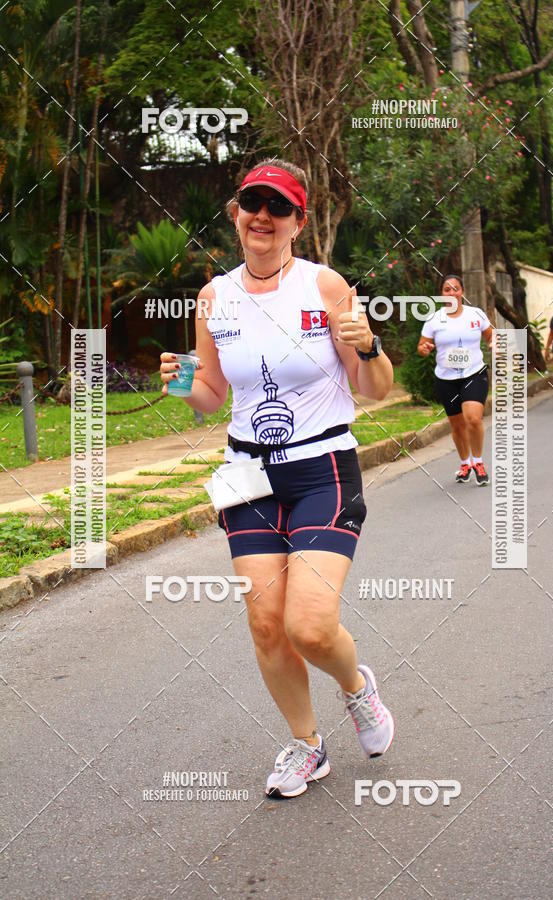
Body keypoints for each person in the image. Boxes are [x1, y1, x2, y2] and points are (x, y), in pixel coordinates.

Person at [160, 160, 395, 799]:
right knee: (266, 624)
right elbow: (211, 393)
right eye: (250, 203)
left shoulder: (325, 288)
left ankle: (357, 689)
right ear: (236, 212)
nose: (262, 216)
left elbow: (375, 389)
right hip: (247, 474)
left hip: (322, 468)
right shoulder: (213, 297)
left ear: (298, 221)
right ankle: (307, 745)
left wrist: (370, 347)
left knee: (310, 626)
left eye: (278, 206)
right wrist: (183, 384)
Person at [417, 275, 493, 485]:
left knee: (473, 419)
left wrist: (495, 344)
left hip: (474, 373)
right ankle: (464, 464)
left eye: (455, 289)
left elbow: (490, 335)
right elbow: (422, 346)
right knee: (458, 425)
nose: (452, 293)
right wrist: (425, 349)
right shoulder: (434, 319)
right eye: (447, 290)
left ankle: (478, 461)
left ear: (462, 292)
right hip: (446, 379)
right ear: (442, 294)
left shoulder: (475, 314)